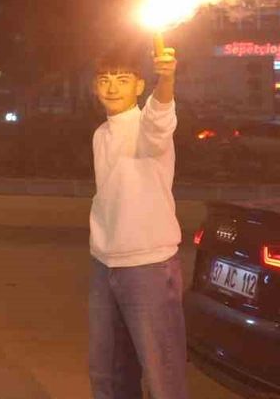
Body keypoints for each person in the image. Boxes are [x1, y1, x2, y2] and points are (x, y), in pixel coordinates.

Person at [87, 43, 186, 399]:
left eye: (123, 79)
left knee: (162, 373)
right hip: (105, 263)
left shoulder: (146, 127)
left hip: (148, 265)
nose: (112, 87)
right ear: (95, 87)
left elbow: (160, 118)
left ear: (140, 85)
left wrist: (167, 79)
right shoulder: (101, 134)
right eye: (105, 79)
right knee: (108, 371)